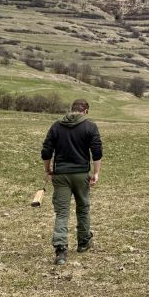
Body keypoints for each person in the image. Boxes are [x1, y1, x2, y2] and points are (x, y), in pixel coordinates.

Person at [41, 98, 103, 266]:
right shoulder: (90, 126)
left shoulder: (56, 125)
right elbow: (96, 152)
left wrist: (48, 169)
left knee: (62, 212)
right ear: (86, 111)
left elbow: (46, 150)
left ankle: (61, 250)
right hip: (81, 174)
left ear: (71, 109)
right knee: (83, 208)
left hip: (61, 175)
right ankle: (83, 242)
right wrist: (96, 172)